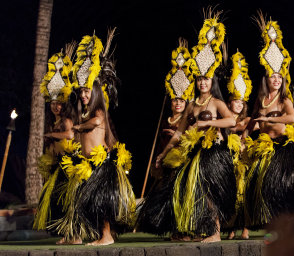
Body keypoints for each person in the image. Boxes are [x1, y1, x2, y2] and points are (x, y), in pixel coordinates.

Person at [155, 8, 239, 243]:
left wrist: (207, 125)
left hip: (214, 153)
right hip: (195, 154)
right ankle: (196, 230)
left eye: (206, 79)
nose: (202, 82)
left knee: (211, 190)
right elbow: (180, 132)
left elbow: (232, 120)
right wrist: (163, 152)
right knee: (193, 192)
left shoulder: (217, 102)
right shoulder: (191, 106)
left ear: (212, 80)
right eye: (200, 79)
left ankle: (215, 233)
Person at [243, 13, 294, 229]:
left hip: (282, 146)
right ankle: (269, 224)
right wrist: (244, 136)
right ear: (267, 79)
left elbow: (292, 118)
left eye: (279, 78)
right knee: (265, 188)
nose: (276, 80)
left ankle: (290, 223)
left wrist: (271, 117)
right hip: (265, 146)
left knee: (283, 186)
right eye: (273, 77)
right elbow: (253, 120)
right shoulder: (260, 99)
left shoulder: (284, 100)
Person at [54, 30, 136, 245]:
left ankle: (106, 236)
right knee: (81, 201)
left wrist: (80, 127)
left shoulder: (98, 111)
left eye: (87, 91)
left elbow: (97, 123)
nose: (83, 95)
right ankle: (77, 235)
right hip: (87, 164)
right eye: (81, 91)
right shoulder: (84, 111)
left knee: (100, 202)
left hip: (101, 164)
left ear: (96, 91)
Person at [136, 38, 193, 239]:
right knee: (166, 198)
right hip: (166, 162)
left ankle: (185, 230)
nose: (178, 103)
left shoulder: (188, 119)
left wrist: (177, 135)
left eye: (181, 100)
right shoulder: (165, 119)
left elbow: (189, 137)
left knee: (181, 196)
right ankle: (174, 230)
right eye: (175, 100)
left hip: (182, 163)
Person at [33, 46, 81, 245]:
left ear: (64, 104)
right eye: (53, 103)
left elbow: (70, 134)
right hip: (57, 165)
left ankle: (75, 236)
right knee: (58, 201)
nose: (56, 106)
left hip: (67, 165)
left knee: (66, 200)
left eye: (59, 103)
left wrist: (51, 134)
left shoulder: (66, 120)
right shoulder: (53, 120)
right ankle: (67, 235)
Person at [224, 51, 252, 240]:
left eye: (242, 102)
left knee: (243, 193)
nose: (239, 105)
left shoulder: (247, 119)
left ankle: (245, 229)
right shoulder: (224, 118)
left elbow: (247, 132)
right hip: (227, 158)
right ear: (230, 102)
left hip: (242, 157)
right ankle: (230, 228)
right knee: (230, 193)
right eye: (236, 101)